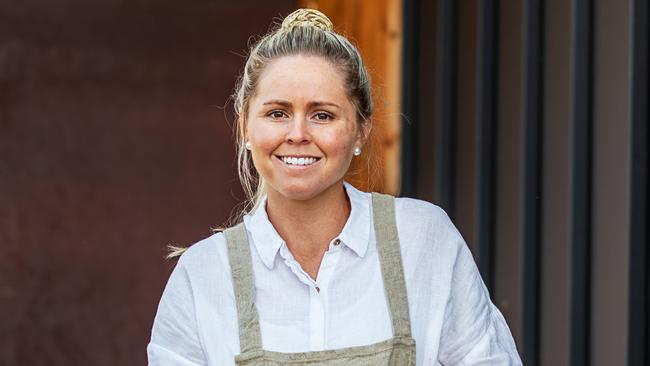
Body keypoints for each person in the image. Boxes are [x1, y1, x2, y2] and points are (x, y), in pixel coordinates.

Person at [147, 8, 522, 366]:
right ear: (246, 125)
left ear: (361, 129)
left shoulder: (424, 241)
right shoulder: (202, 276)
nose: (297, 134)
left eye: (322, 115)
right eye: (277, 113)